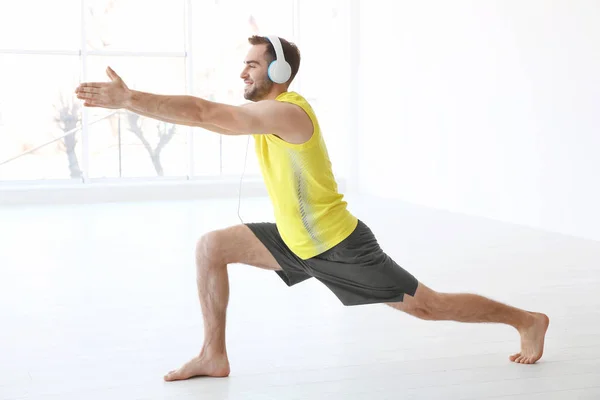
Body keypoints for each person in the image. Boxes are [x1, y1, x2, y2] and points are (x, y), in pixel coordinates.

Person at [75, 35, 550, 381]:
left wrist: (130, 99)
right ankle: (212, 355)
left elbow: (205, 114)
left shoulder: (288, 112)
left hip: (340, 247)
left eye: (253, 65)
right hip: (293, 240)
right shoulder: (264, 115)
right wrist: (134, 104)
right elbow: (214, 122)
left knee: (429, 307)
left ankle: (527, 320)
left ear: (279, 73)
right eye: (244, 64)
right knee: (211, 247)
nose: (243, 72)